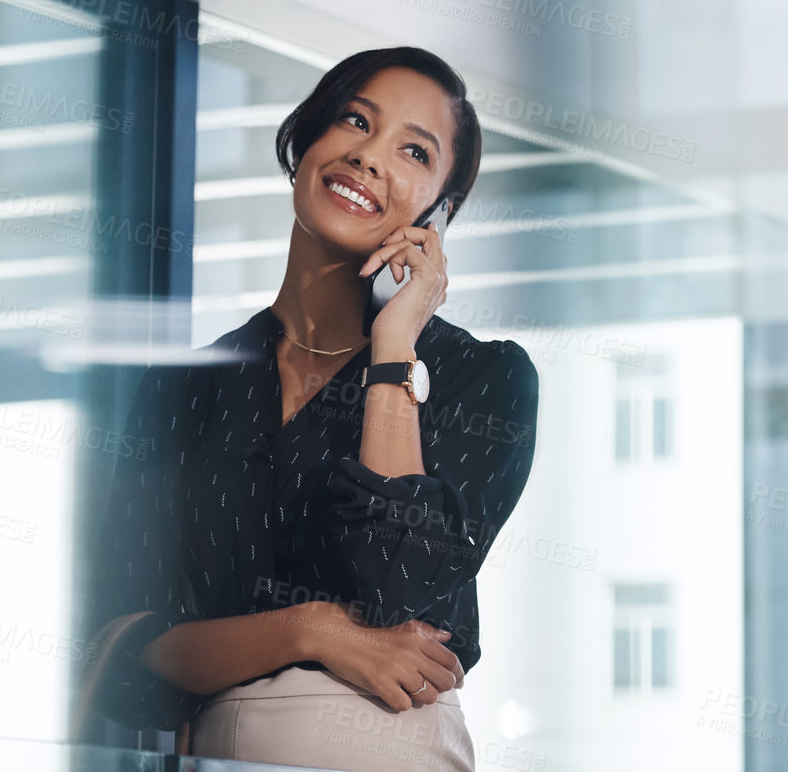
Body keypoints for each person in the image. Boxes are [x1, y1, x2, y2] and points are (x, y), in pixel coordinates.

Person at [86, 46, 541, 771]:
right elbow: (120, 652)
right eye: (354, 120)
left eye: (413, 152)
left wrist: (396, 347)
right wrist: (312, 630)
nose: (367, 157)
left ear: (438, 212)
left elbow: (399, 587)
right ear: (305, 138)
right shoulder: (183, 386)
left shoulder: (483, 377)